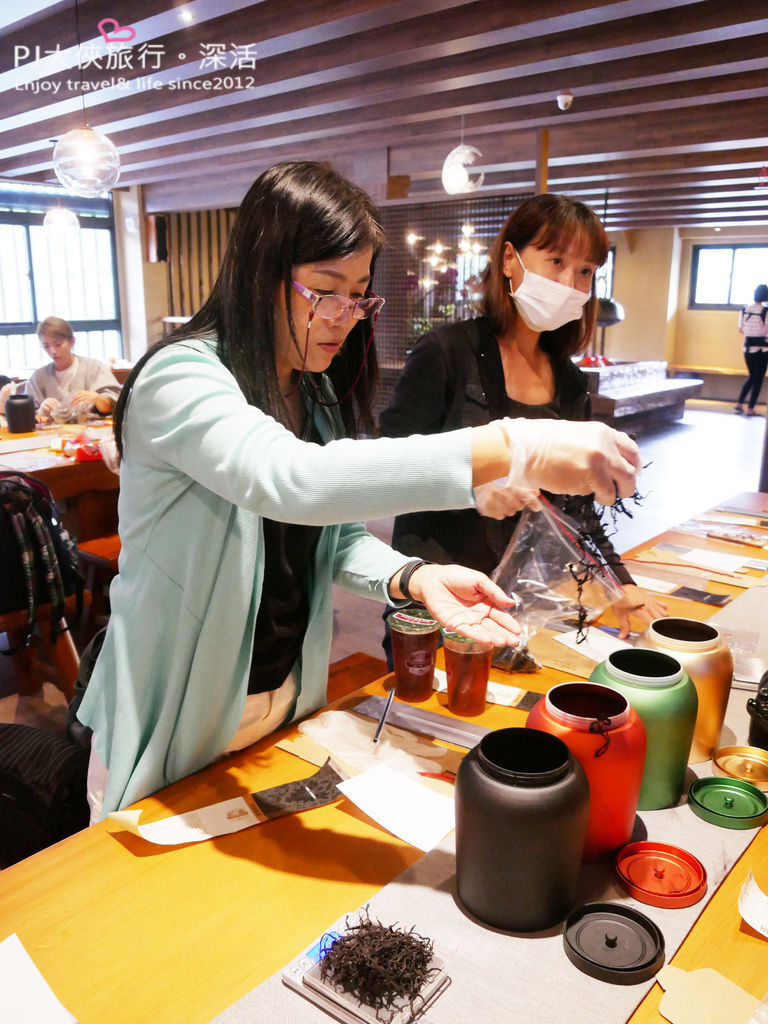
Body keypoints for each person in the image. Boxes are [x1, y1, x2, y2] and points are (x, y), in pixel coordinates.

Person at [75, 162, 642, 820]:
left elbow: (331, 537)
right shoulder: (181, 376)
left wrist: (414, 577)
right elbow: (291, 481)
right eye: (325, 290)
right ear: (261, 273)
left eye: (359, 294)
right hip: (176, 709)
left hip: (282, 696)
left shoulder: (309, 391)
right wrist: (513, 444)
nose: (344, 316)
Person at [380, 193, 666, 644]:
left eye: (585, 271)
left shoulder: (569, 382)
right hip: (437, 595)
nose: (570, 283)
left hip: (523, 603)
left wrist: (619, 583)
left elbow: (578, 510)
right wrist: (473, 484)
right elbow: (386, 470)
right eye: (555, 261)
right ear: (510, 259)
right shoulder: (447, 353)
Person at [11, 317, 121, 421]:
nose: (53, 351)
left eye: (58, 344)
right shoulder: (38, 377)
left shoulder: (94, 367)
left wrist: (96, 398)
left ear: (72, 341)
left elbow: (115, 405)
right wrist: (41, 410)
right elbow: (29, 415)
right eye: (46, 346)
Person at [735, 284, 768, 416]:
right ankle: (750, 407)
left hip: (747, 348)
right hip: (762, 349)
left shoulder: (744, 310)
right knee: (757, 379)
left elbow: (740, 329)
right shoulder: (766, 311)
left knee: (752, 376)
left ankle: (739, 402)